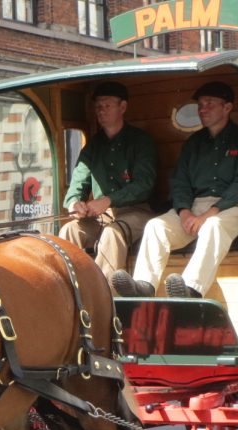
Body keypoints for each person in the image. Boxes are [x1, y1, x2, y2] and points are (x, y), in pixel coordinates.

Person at [112, 81, 238, 298]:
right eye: (200, 105)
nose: (203, 109)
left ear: (227, 107)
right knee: (155, 226)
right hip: (194, 207)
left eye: (209, 103)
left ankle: (191, 289)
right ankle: (144, 285)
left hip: (233, 208)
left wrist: (210, 213)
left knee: (213, 226)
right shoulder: (193, 143)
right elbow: (179, 181)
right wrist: (184, 211)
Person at [58, 81, 156, 284]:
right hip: (102, 216)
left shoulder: (141, 141)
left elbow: (144, 185)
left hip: (138, 213)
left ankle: (103, 296)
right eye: (98, 106)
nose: (101, 111)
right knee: (69, 230)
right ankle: (71, 291)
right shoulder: (93, 146)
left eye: (107, 105)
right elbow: (78, 183)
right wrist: (74, 202)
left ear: (123, 107)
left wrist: (108, 200)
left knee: (113, 232)